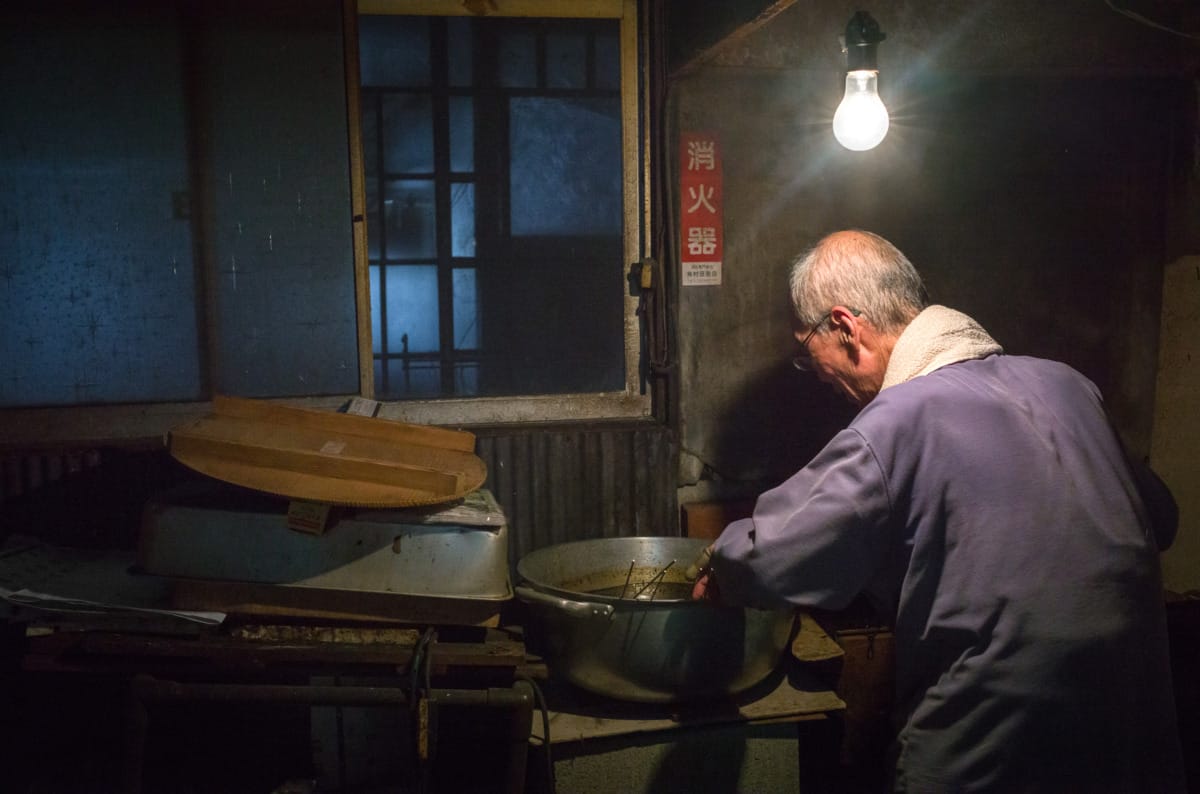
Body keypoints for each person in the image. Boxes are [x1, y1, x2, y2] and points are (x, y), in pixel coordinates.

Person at [691, 230, 1185, 793]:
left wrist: (718, 563)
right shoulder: (1069, 385)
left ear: (846, 327)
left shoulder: (895, 420)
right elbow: (1162, 519)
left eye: (808, 354)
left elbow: (776, 555)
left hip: (991, 747)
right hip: (1129, 735)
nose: (820, 376)